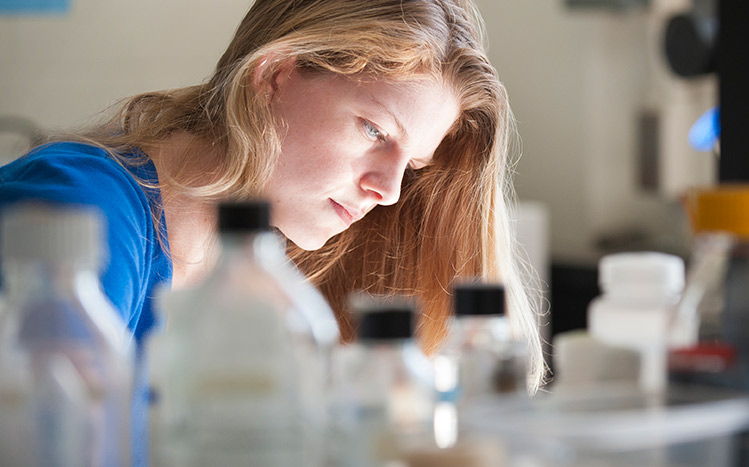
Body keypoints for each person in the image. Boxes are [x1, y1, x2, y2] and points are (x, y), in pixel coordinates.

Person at [0, 0, 546, 392]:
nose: (387, 191)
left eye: (414, 164)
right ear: (276, 76)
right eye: (375, 131)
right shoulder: (82, 210)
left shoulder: (271, 276)